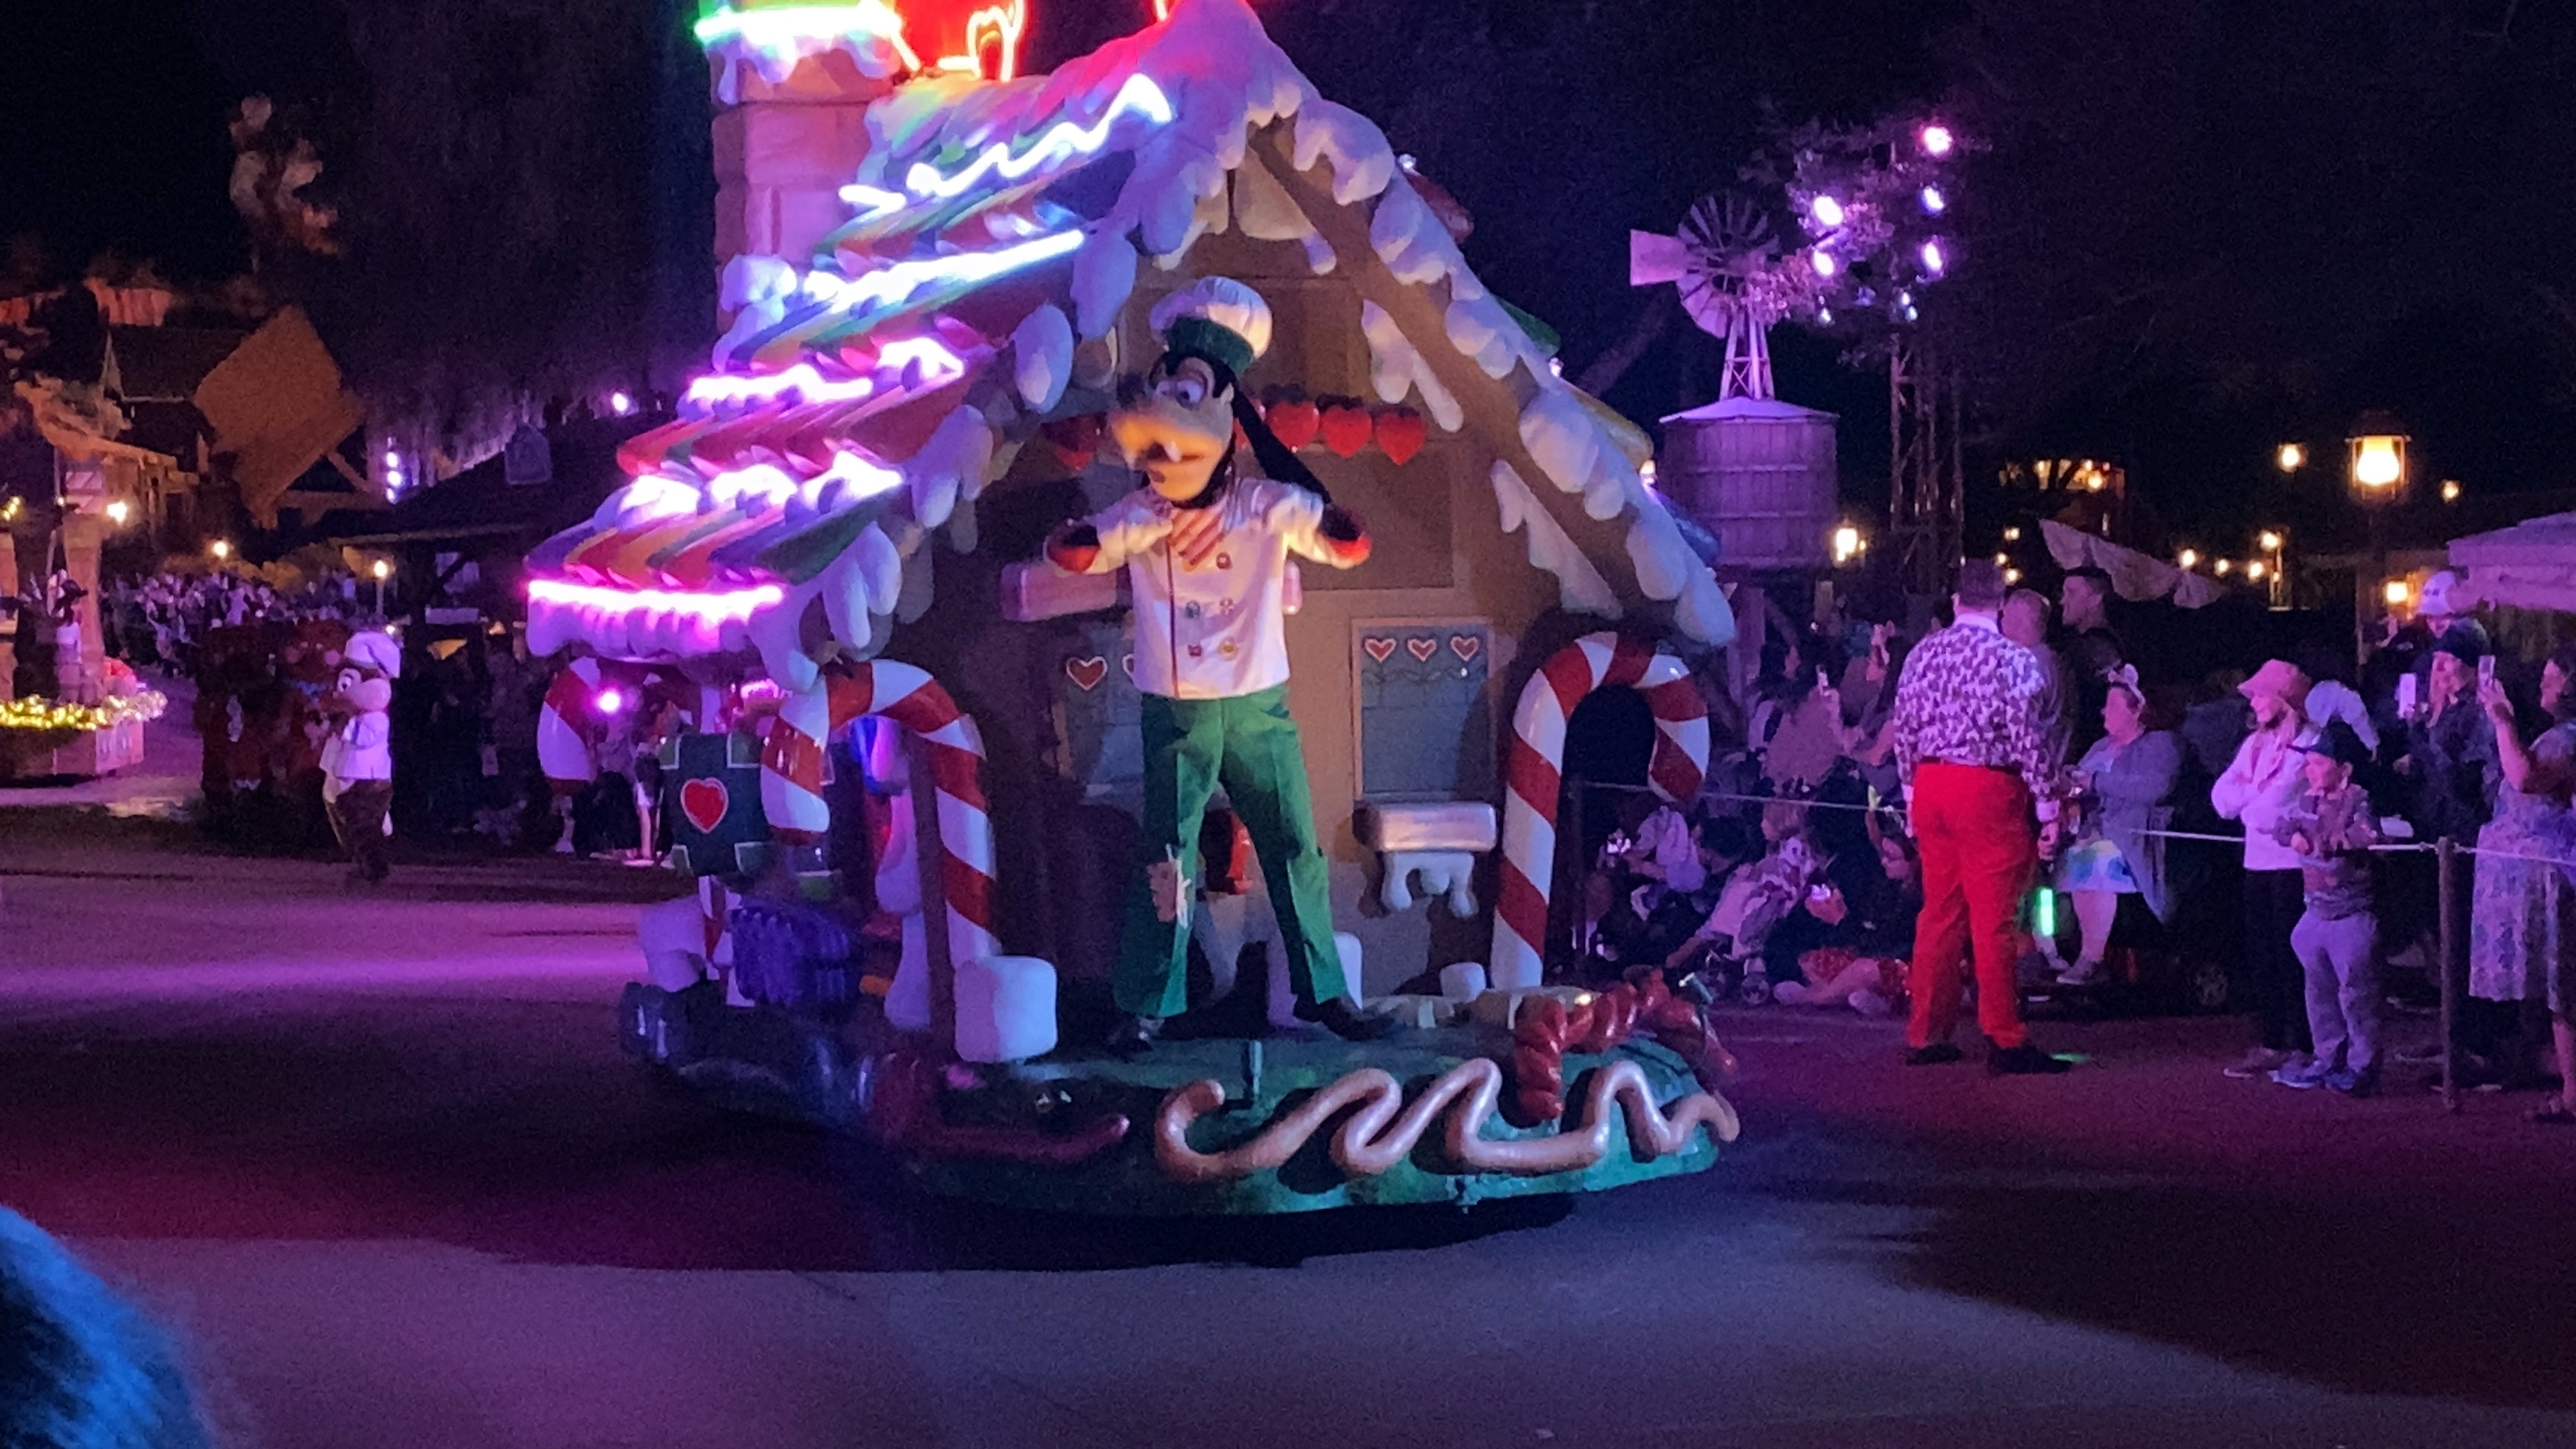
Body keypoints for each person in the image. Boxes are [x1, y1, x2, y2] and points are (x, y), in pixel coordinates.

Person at [1045, 276, 1382, 1048]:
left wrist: (1339, 532)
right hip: (1177, 708)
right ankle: (1149, 1002)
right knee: (1168, 856)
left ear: (1229, 413)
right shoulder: (1147, 513)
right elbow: (1090, 546)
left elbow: (1333, 538)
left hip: (1259, 704)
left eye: (1189, 395)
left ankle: (1323, 990)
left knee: (1293, 845)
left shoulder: (1261, 506)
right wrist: (1077, 545)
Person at [1889, 559, 2070, 1075]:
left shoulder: (1922, 654)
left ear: (1956, 600)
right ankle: (2005, 1037)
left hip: (1930, 783)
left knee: (1939, 912)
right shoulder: (2013, 660)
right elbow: (2027, 738)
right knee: (1994, 920)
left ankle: (1927, 1033)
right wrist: (2048, 804)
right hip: (1987, 787)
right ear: (2001, 604)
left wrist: (1910, 794)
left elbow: (1904, 728)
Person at [2473, 645, 2576, 1122]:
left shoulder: (2569, 739)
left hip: (2559, 875)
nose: (2542, 686)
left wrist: (2502, 722)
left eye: (2552, 680)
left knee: (2564, 988)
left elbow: (2525, 778)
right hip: (2542, 875)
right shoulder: (2559, 734)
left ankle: (2572, 1093)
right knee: (2556, 990)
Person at [2045, 668, 2189, 986]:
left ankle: (2091, 957)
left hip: (2133, 839)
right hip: (2086, 832)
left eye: (2112, 706)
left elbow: (2154, 787)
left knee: (2094, 858)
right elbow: (2082, 783)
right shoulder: (2101, 747)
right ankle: (2046, 952)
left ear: (2137, 711)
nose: (2103, 712)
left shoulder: (2162, 744)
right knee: (2052, 862)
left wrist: (2096, 782)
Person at [2211, 659, 2317, 1078]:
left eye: (2261, 695)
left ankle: (2306, 1043)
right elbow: (2221, 798)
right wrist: (2253, 794)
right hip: (2256, 861)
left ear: (2284, 699)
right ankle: (2273, 1040)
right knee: (2263, 954)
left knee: (2295, 956)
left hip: (2293, 865)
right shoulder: (2254, 744)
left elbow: (2269, 811)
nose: (2254, 702)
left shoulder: (2309, 742)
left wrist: (2249, 796)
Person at [2269, 720, 2385, 1095]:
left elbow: (2367, 834)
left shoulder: (2359, 798)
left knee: (2357, 995)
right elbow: (2280, 825)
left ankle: (2362, 1067)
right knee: (2318, 992)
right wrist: (2293, 834)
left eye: (2319, 763)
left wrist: (2322, 841)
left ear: (2344, 768)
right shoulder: (2308, 799)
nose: (2310, 770)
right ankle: (2328, 1057)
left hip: (2351, 914)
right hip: (2316, 912)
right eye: (2309, 763)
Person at [321, 629, 399, 885]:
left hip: (366, 778)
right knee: (350, 821)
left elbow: (362, 737)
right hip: (347, 776)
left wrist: (341, 722)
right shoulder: (353, 715)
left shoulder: (376, 718)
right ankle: (362, 861)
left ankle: (375, 867)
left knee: (362, 823)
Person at [2000, 589, 2074, 772]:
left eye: (2005, 616)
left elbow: (2017, 727)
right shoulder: (2054, 663)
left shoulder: (2026, 668)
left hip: (2029, 774)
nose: (2001, 624)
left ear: (2017, 622)